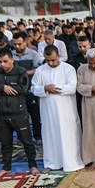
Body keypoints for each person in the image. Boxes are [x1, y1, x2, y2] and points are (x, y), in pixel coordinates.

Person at [0, 48, 39, 177]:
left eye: (5, 61)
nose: (2, 65)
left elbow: (22, 89)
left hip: (19, 112)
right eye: (0, 62)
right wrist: (2, 87)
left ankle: (33, 165)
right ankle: (6, 167)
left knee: (27, 141)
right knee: (6, 142)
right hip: (2, 113)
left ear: (12, 60)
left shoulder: (21, 72)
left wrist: (5, 87)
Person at [31, 44, 83, 172]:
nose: (50, 63)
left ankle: (71, 163)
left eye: (53, 60)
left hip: (66, 111)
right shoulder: (40, 70)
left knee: (68, 136)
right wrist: (44, 88)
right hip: (48, 112)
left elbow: (72, 88)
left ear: (59, 56)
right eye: (47, 60)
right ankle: (51, 163)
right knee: (50, 136)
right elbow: (33, 88)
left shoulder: (68, 69)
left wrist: (54, 89)